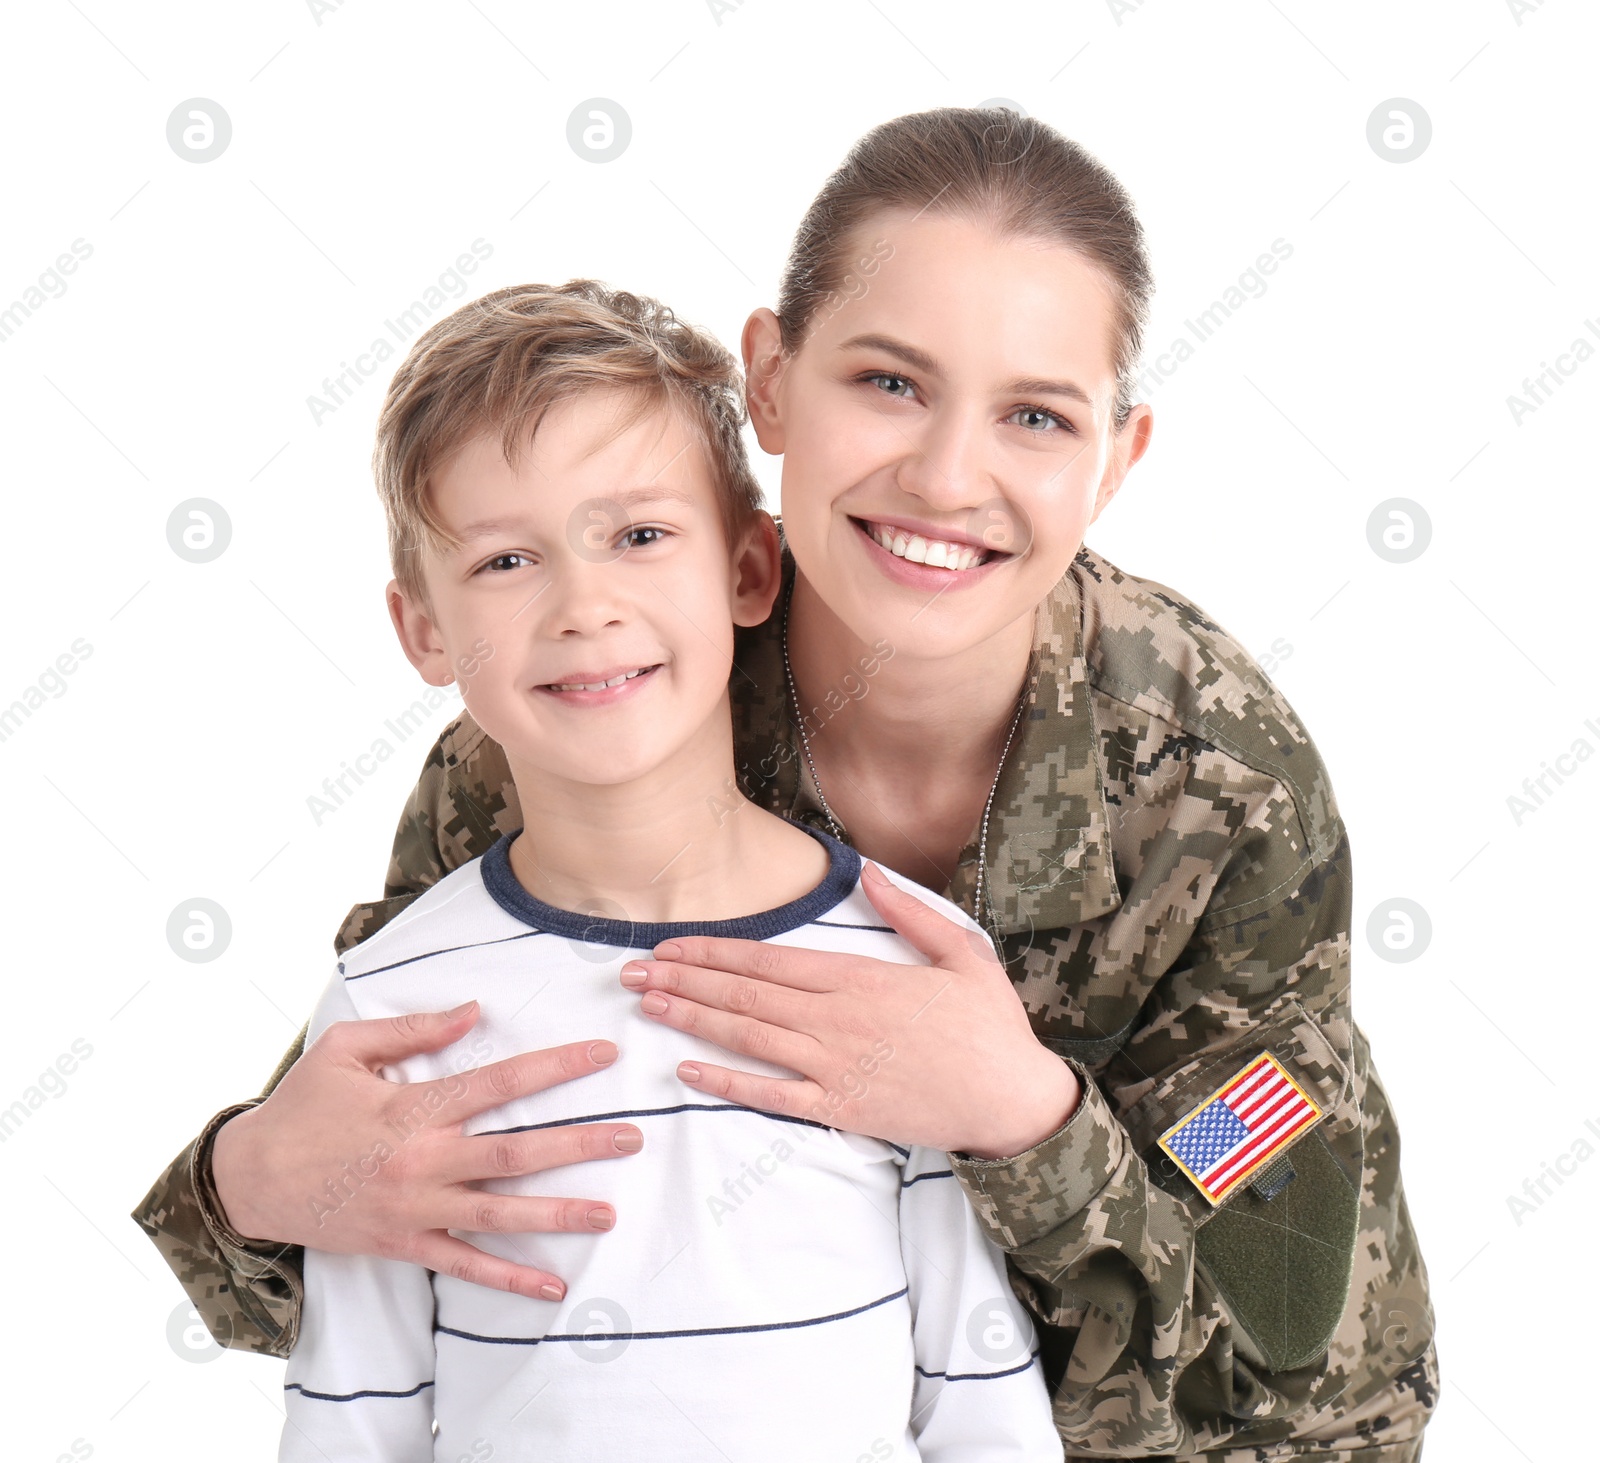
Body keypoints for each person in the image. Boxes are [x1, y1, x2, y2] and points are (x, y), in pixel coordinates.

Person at [134, 108, 1438, 1460]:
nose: (944, 475)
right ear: (769, 380)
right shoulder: (590, 708)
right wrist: (247, 1183)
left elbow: (1287, 1312)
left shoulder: (1224, 788)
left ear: (1114, 457)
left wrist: (1022, 1118)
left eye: (1037, 415)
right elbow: (374, 1186)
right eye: (888, 381)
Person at [278, 278, 1063, 1460]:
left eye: (640, 536)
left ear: (750, 569)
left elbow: (979, 1393)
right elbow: (352, 1412)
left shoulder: (906, 964)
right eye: (504, 560)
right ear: (425, 630)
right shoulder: (391, 1005)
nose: (585, 605)